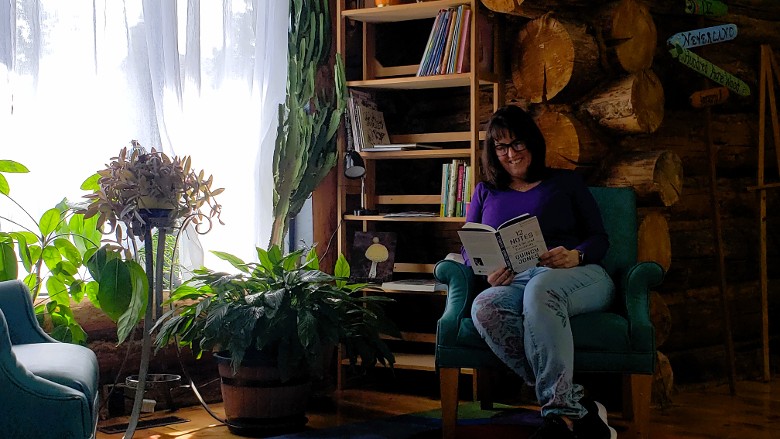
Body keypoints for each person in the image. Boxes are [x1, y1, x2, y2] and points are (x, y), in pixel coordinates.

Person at [462, 105, 616, 439]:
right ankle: (575, 406)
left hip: (578, 276)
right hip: (516, 281)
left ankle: (557, 420)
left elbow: (601, 238)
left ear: (532, 143)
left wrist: (577, 254)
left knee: (540, 289)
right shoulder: (485, 191)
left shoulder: (565, 182)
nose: (510, 154)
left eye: (517, 144)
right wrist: (487, 271)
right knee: (484, 306)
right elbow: (468, 246)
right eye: (500, 147)